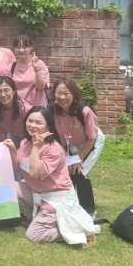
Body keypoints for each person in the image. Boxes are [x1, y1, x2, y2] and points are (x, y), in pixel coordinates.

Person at [4, 107, 100, 246]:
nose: (32, 125)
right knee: (12, 188)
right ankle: (38, 220)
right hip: (38, 193)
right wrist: (13, 149)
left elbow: (35, 174)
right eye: (30, 121)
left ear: (48, 126)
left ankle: (77, 231)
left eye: (38, 122)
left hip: (56, 198)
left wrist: (36, 147)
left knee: (33, 235)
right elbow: (18, 168)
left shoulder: (53, 149)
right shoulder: (25, 142)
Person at [51, 77, 105, 218]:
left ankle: (89, 211)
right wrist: (67, 157)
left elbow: (92, 137)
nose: (62, 97)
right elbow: (56, 137)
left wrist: (79, 157)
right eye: (58, 93)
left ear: (74, 94)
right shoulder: (52, 111)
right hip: (69, 143)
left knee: (80, 171)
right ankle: (70, 205)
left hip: (91, 141)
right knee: (68, 171)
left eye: (66, 93)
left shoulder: (85, 111)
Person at [10, 35, 50, 107]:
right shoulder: (11, 67)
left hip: (37, 108)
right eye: (18, 47)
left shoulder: (40, 64)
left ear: (30, 47)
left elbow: (41, 87)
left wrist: (36, 69)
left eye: (25, 47)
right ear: (14, 49)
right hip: (19, 108)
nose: (21, 50)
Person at [0, 76, 32, 143]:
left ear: (14, 91)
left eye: (6, 90)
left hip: (28, 137)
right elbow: (1, 131)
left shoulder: (25, 109)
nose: (3, 94)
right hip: (12, 136)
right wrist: (7, 146)